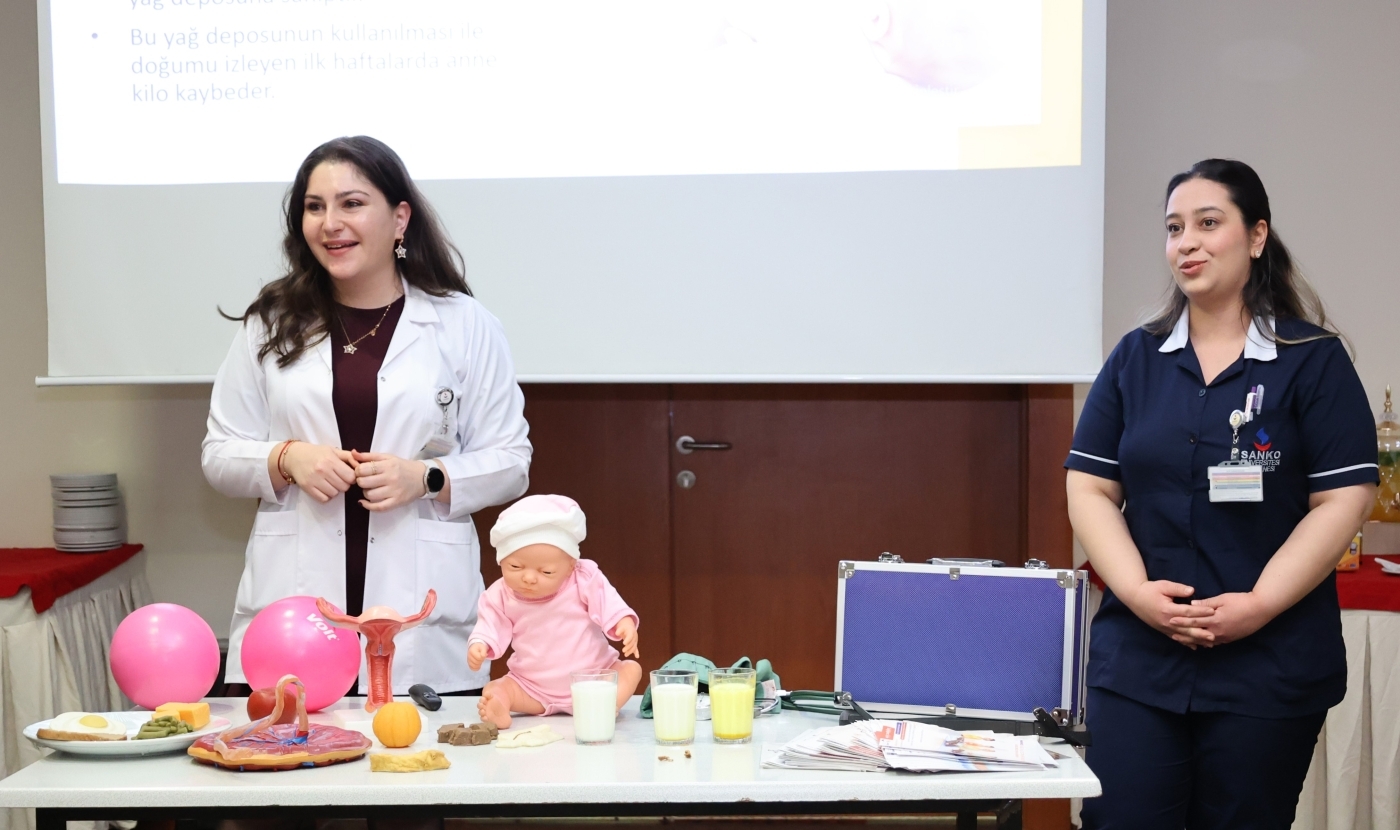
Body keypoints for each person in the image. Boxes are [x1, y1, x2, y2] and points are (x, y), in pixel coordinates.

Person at [1066, 159, 1378, 830]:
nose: (1188, 242)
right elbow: (1088, 486)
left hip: (1270, 664)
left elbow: (1344, 498)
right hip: (1142, 662)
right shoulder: (1135, 358)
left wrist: (1259, 604)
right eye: (1174, 228)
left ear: (1257, 236)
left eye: (1209, 223)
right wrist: (1137, 592)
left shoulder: (1313, 359)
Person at [203, 135, 531, 696]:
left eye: (351, 204)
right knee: (295, 743)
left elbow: (511, 460)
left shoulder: (464, 324)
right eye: (314, 207)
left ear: (400, 219)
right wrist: (286, 458)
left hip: (419, 612)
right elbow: (219, 454)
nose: (330, 223)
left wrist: (426, 478)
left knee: (417, 748)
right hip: (295, 611)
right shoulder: (270, 323)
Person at [467, 495, 642, 729]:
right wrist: (480, 643)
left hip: (592, 682)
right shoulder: (500, 594)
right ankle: (500, 704)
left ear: (571, 566)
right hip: (532, 687)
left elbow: (607, 601)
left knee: (630, 670)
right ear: (500, 560)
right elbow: (489, 623)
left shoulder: (583, 578)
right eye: (515, 567)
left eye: (547, 572)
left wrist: (623, 622)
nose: (529, 578)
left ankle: (602, 706)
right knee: (497, 688)